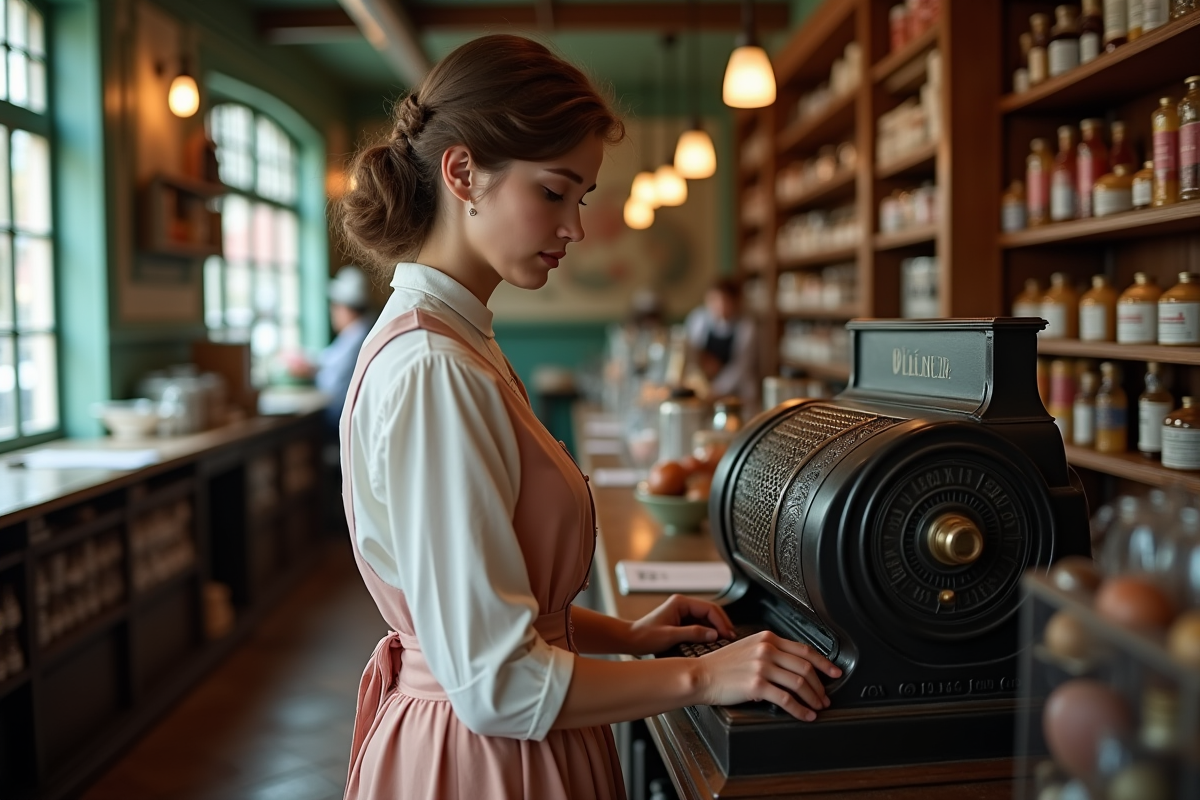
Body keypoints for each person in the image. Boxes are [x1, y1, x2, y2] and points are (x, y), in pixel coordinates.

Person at [337, 34, 840, 800]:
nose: (574, 226)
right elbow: (497, 684)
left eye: (582, 198)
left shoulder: (456, 341)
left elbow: (498, 610)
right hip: (487, 763)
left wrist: (628, 635)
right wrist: (705, 676)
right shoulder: (436, 368)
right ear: (463, 173)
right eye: (554, 192)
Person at [685, 277, 760, 411]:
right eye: (714, 300)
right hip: (704, 390)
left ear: (735, 301)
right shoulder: (698, 320)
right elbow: (691, 354)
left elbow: (740, 367)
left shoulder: (746, 327)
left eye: (725, 301)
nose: (719, 306)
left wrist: (715, 390)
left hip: (737, 394)